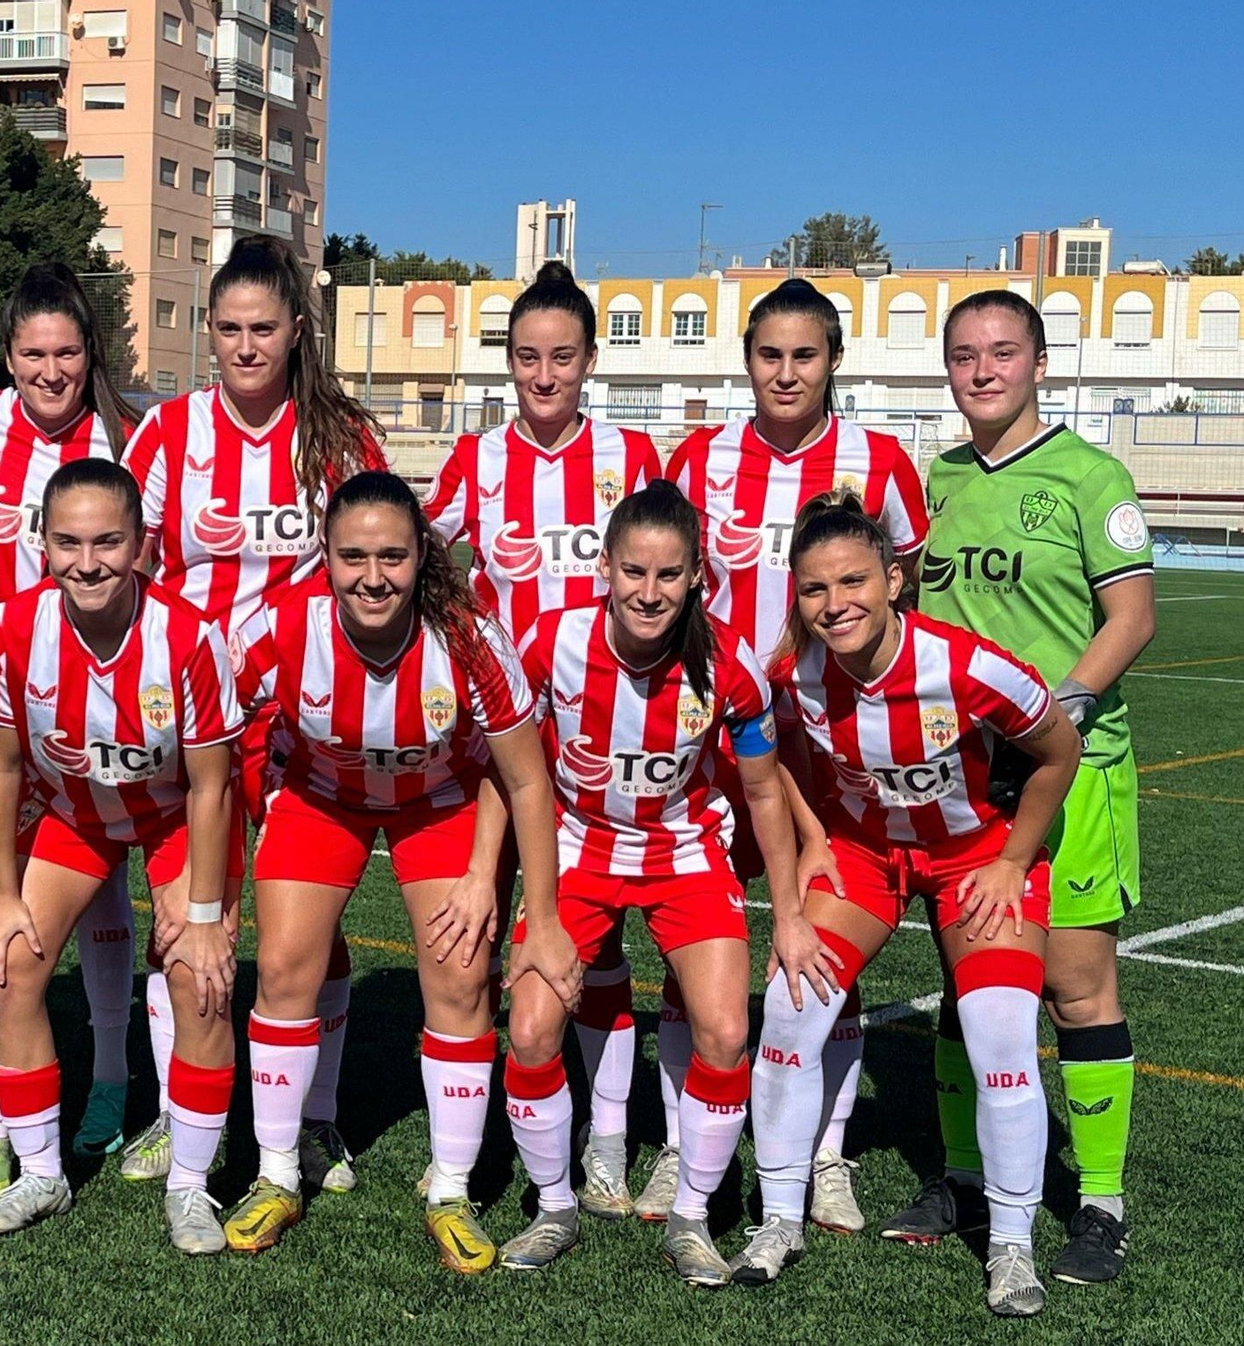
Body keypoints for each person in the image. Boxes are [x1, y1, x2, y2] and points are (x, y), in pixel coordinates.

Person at [222, 470, 581, 1272]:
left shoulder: (470, 638)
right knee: (282, 967)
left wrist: (533, 911)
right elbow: (210, 735)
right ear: (326, 555)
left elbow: (526, 778)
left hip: (442, 803)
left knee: (459, 978)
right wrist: (210, 882)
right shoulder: (282, 625)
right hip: (320, 797)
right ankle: (276, 1173)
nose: (373, 577)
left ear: (424, 554)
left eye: (392, 555)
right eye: (353, 557)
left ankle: (450, 1187)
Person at [736, 493, 1080, 1317]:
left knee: (1000, 1035)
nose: (835, 604)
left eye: (854, 581)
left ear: (894, 578)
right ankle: (780, 1218)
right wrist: (817, 833)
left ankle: (1011, 1246)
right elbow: (766, 747)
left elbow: (1059, 750)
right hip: (866, 855)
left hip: (975, 860)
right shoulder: (792, 670)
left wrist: (1011, 860)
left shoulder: (966, 666)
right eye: (815, 590)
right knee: (790, 1006)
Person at [881, 290, 1155, 1284]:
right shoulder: (931, 483)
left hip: (1068, 771)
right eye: (964, 355)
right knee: (972, 976)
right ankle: (961, 1174)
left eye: (1002, 352)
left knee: (1075, 986)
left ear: (1039, 362)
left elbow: (1130, 617)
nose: (983, 369)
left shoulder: (1090, 475)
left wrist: (1059, 714)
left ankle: (1097, 1200)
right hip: (962, 783)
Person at [494, 479, 821, 1281]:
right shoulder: (549, 642)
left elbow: (765, 789)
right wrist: (489, 880)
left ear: (698, 574)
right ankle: (554, 1207)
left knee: (724, 1030)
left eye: (669, 575)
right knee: (533, 1027)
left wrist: (787, 912)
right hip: (578, 851)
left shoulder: (730, 661)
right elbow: (504, 771)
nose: (649, 593)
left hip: (686, 855)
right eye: (634, 572)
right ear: (604, 566)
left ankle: (691, 1217)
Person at [664, 277, 928, 1229]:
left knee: (821, 953)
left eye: (804, 355)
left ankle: (824, 1153)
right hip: (717, 741)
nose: (786, 373)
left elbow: (908, 595)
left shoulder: (881, 460)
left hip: (824, 748)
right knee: (693, 937)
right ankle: (681, 1143)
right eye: (769, 355)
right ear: (747, 362)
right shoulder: (699, 457)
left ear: (832, 363)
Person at [125, 234, 386, 1191]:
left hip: (300, 721)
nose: (245, 347)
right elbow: (134, 569)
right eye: (229, 329)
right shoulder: (166, 434)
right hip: (190, 722)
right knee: (181, 912)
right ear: (209, 331)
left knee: (305, 929)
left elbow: (375, 569)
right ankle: (174, 1111)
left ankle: (313, 1119)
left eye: (263, 329)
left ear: (295, 332)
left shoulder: (342, 437)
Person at [423, 259, 660, 1218]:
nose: (546, 375)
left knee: (593, 950)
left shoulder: (634, 457)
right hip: (497, 749)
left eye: (563, 357)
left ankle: (603, 1143)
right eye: (528, 358)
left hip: (603, 745)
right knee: (480, 940)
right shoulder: (476, 461)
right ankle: (473, 1145)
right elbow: (421, 561)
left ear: (590, 362)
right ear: (508, 364)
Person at [0, 459, 242, 1244]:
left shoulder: (189, 638)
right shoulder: (12, 629)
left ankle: (190, 1185)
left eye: (109, 542)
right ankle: (42, 1174)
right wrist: (1, 888)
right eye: (69, 543)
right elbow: (3, 764)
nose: (88, 562)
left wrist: (204, 913)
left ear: (142, 544)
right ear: (41, 543)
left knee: (200, 975)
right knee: (9, 960)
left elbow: (212, 787)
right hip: (73, 818)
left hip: (174, 816)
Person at [0, 263, 144, 1208]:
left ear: (88, 353)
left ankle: (109, 1082)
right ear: (7, 356)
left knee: (106, 902)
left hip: (101, 703)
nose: (51, 371)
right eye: (33, 354)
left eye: (67, 352)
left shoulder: (125, 437)